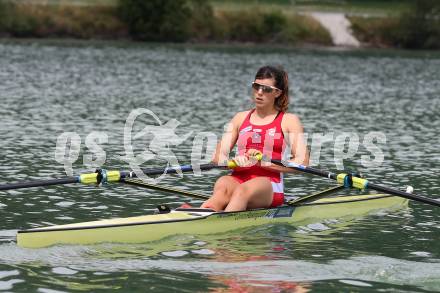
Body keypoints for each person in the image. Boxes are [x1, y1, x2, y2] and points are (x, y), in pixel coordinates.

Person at [201, 65, 309, 212]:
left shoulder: (289, 120)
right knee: (222, 185)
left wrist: (264, 162)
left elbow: (302, 162)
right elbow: (218, 156)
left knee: (242, 191)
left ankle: (225, 232)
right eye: (256, 86)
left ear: (277, 93)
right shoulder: (240, 118)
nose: (259, 93)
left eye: (266, 89)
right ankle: (197, 221)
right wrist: (229, 162)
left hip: (269, 184)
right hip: (238, 177)